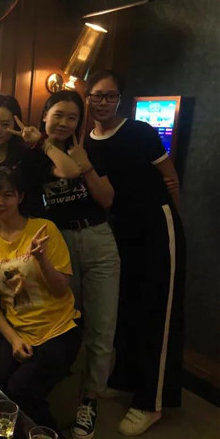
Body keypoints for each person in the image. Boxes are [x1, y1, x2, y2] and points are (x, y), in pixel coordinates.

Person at [84, 70, 186, 436]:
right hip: (121, 234)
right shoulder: (87, 142)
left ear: (120, 99)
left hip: (157, 228)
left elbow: (170, 177)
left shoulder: (140, 132)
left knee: (156, 313)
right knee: (127, 310)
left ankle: (150, 402)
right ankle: (125, 378)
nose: (103, 102)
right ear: (87, 97)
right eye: (97, 95)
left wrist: (174, 220)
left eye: (110, 96)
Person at [0, 167, 81, 433]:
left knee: (21, 388)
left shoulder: (44, 230)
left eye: (7, 195)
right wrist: (13, 339)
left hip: (59, 329)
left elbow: (61, 290)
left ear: (20, 196)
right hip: (18, 330)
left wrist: (41, 259)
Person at [39, 90, 121, 439]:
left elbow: (106, 199)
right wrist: (46, 146)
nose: (64, 122)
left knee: (102, 327)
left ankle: (90, 400)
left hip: (98, 238)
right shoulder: (34, 153)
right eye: (58, 115)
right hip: (60, 243)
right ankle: (59, 391)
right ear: (45, 115)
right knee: (64, 322)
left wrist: (85, 163)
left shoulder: (93, 149)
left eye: (72, 117)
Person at [0, 94, 82, 217]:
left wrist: (42, 143)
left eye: (5, 124)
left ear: (15, 126)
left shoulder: (28, 157)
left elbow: (72, 171)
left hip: (27, 226)